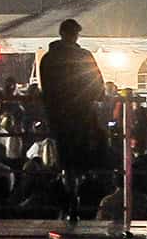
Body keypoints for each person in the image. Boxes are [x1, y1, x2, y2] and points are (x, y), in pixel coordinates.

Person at [40, 17, 107, 222]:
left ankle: (70, 198)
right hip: (82, 117)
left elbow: (47, 90)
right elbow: (98, 87)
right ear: (75, 34)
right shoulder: (83, 57)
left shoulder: (48, 59)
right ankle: (78, 197)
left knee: (66, 160)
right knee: (82, 159)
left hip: (59, 118)